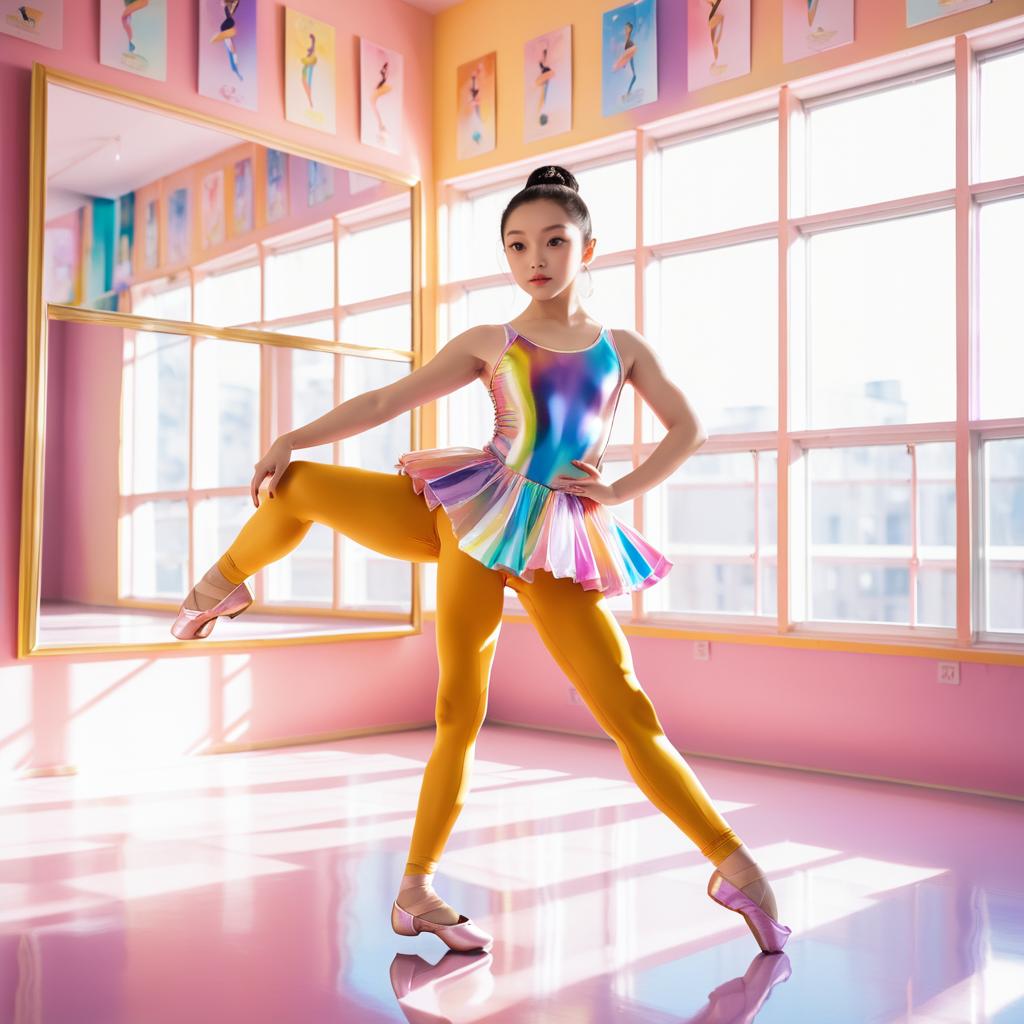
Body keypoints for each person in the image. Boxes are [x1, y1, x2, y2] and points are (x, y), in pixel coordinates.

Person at [171, 164, 792, 957]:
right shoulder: (490, 342)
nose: (535, 256)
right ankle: (414, 886)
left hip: (555, 536)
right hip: (472, 514)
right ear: (505, 255)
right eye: (517, 244)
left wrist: (618, 490)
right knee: (452, 703)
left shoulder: (622, 348)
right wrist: (293, 435)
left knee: (630, 713)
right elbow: (382, 403)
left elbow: (688, 428)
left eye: (554, 240)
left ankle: (736, 869)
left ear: (588, 247)